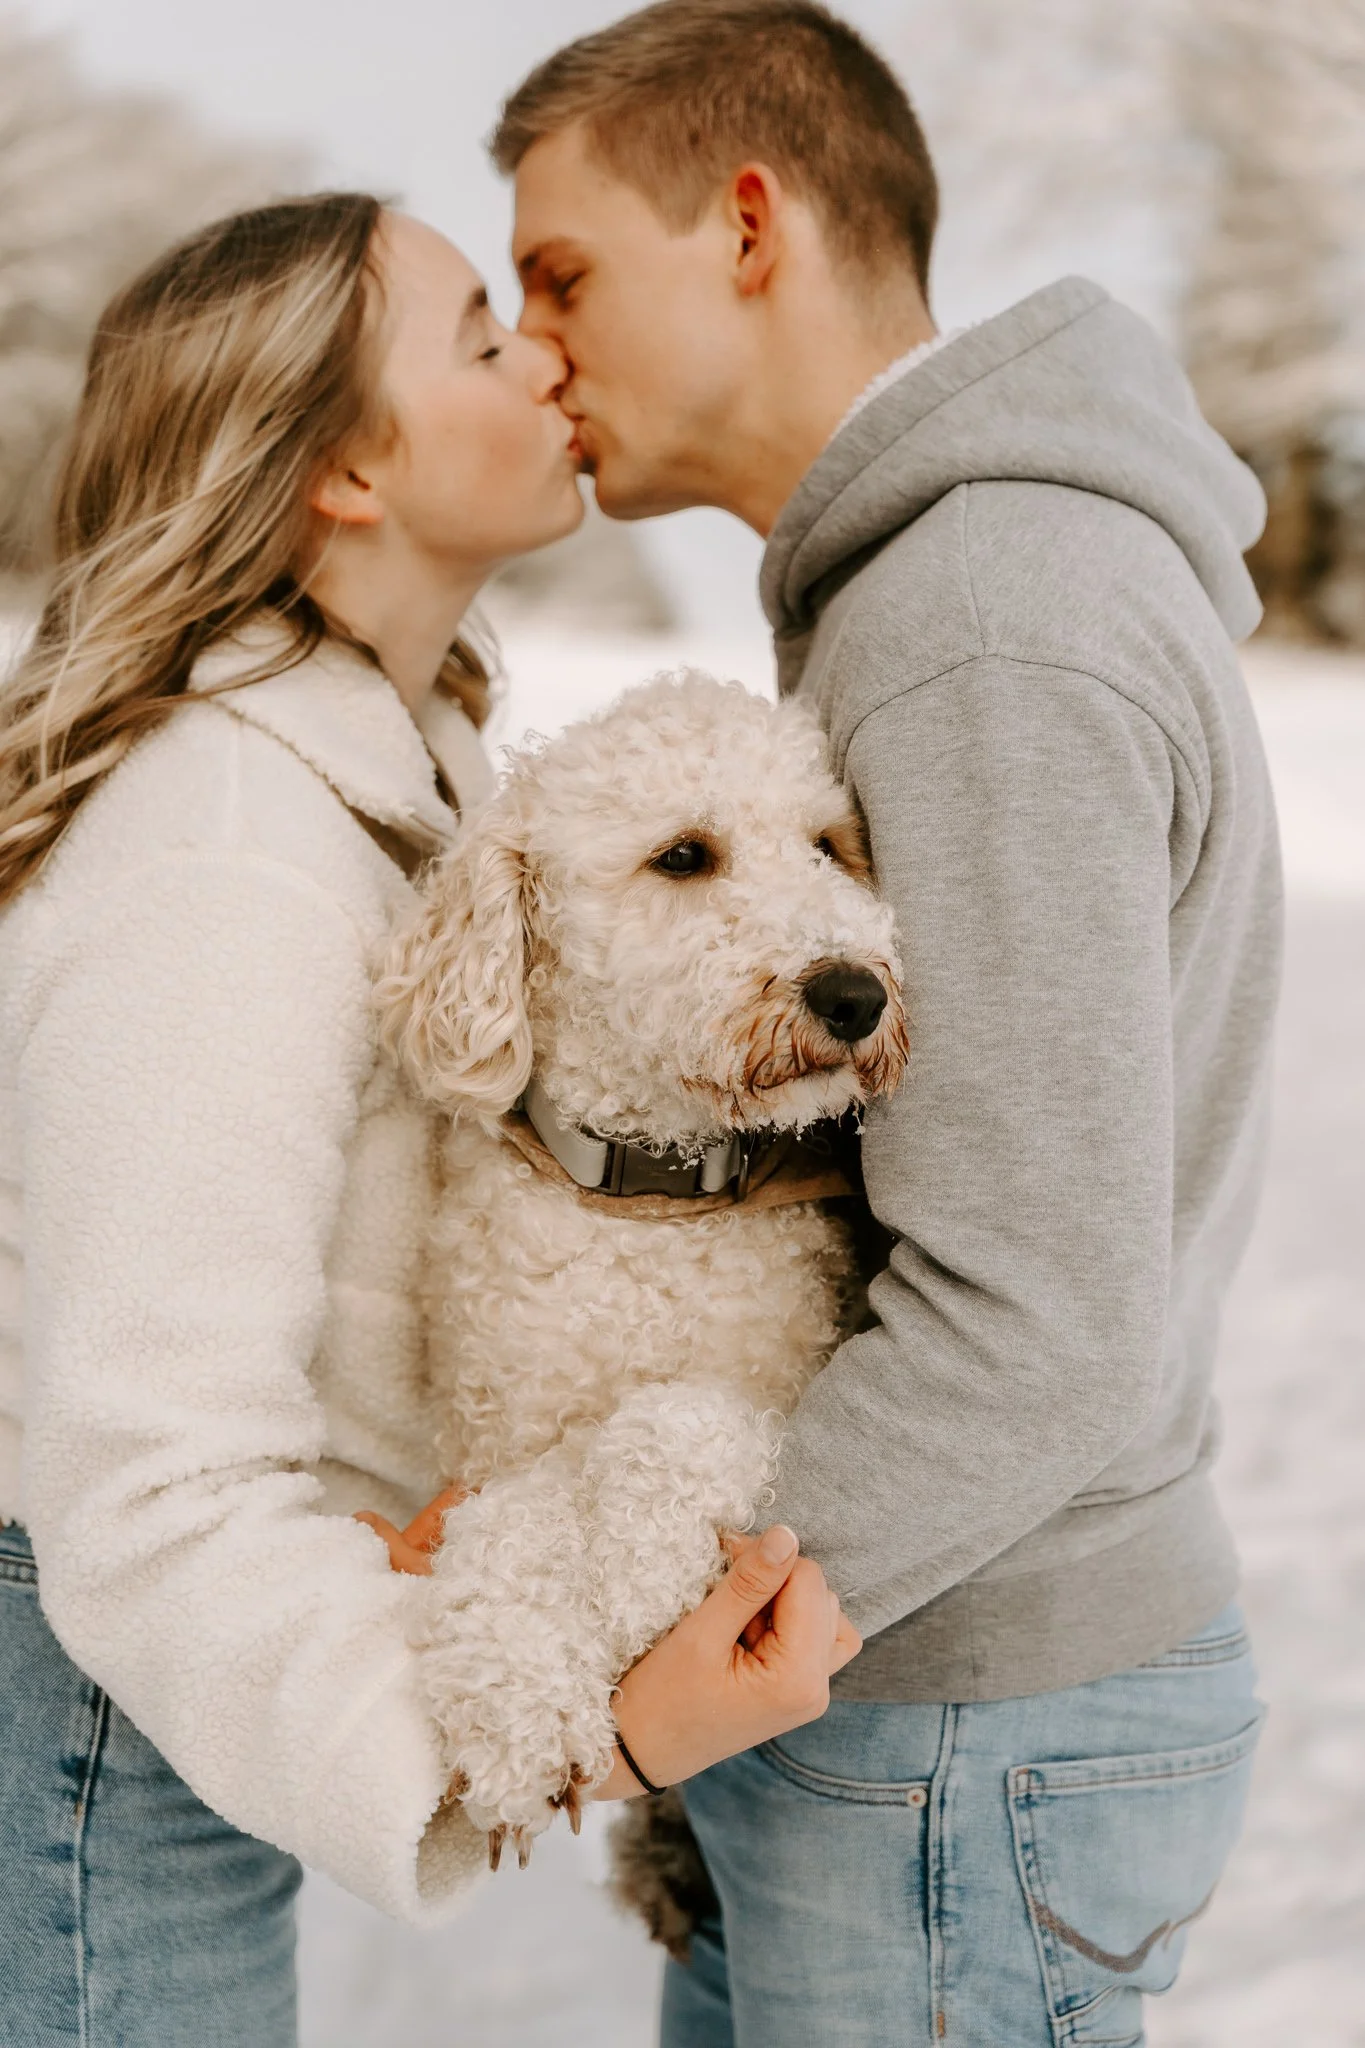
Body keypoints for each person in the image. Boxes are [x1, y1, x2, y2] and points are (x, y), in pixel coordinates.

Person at [494, 3, 1280, 2042]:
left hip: (956, 1712)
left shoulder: (976, 617)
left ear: (747, 222)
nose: (536, 351)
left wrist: (631, 1658)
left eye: (563, 274)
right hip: (903, 1678)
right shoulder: (940, 582)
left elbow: (1032, 1309)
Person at [0, 191, 858, 2046]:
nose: (546, 351)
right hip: (94, 1680)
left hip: (189, 1660)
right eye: (481, 335)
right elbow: (142, 1483)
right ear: (340, 475)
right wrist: (585, 1726)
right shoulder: (220, 851)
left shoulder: (411, 770)